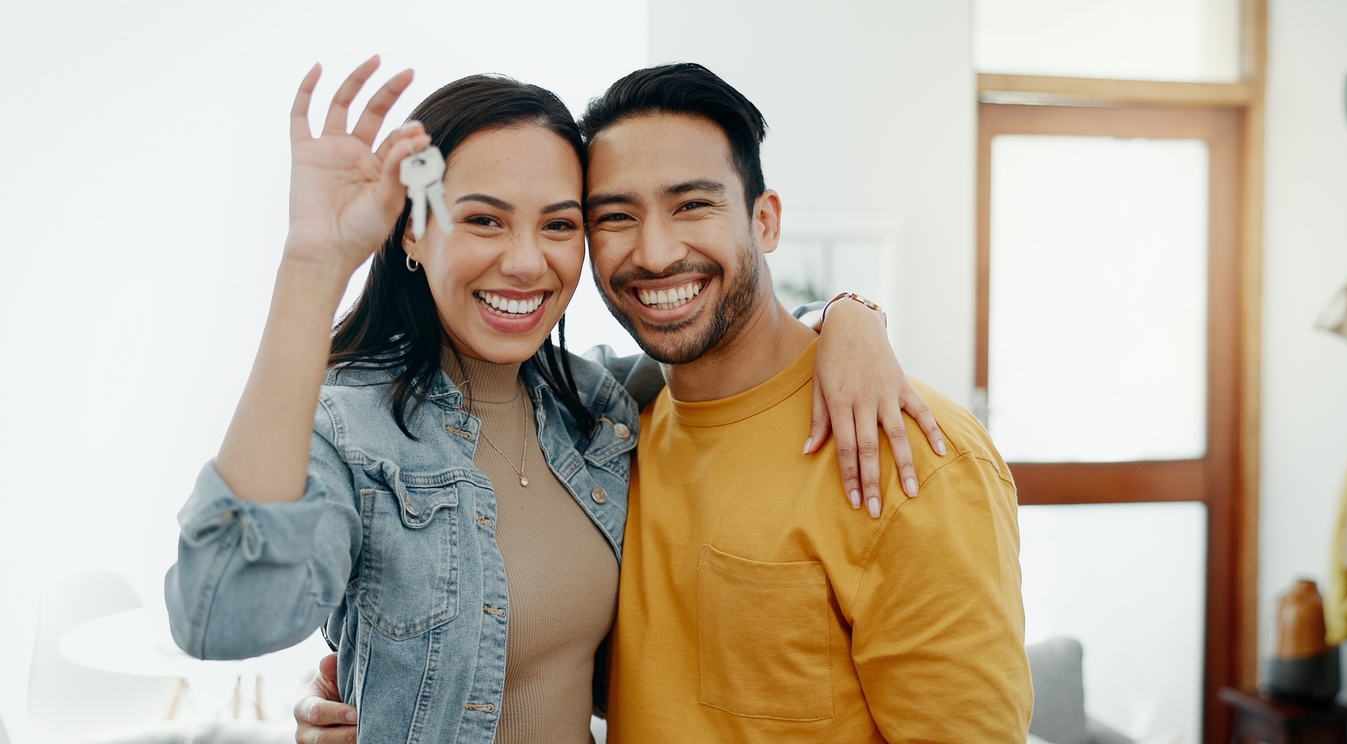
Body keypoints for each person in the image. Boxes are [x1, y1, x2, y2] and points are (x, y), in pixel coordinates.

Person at [165, 57, 938, 744]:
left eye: (560, 225)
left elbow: (725, 350)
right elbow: (224, 617)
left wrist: (846, 320)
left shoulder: (597, 407)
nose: (526, 262)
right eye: (482, 220)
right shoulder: (350, 429)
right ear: (410, 232)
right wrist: (313, 264)